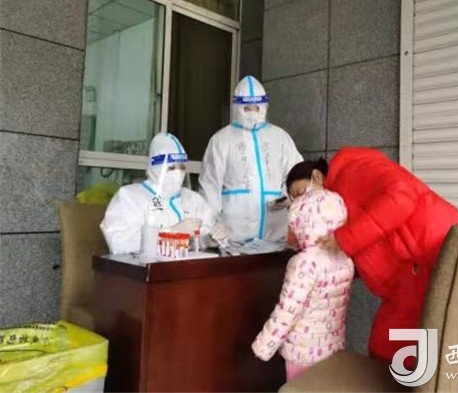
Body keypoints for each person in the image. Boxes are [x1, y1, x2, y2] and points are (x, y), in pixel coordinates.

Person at [285, 148, 458, 383]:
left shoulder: (351, 171)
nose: (302, 204)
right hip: (413, 276)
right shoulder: (338, 205)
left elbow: (401, 198)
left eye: (301, 193)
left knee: (397, 351)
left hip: (428, 259)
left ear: (316, 176)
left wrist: (344, 239)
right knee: (387, 347)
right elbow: (369, 247)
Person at [252, 188, 354, 381]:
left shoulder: (304, 263)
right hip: (333, 348)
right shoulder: (345, 259)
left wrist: (263, 345)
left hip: (304, 352)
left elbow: (288, 310)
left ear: (303, 225)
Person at [199, 76, 303, 244]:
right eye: (247, 108)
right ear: (236, 107)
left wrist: (286, 198)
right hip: (233, 236)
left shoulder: (280, 137)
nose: (253, 113)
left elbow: (297, 175)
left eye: (257, 107)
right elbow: (210, 186)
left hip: (276, 235)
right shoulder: (221, 140)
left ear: (265, 106)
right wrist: (211, 225)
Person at [101, 132, 223, 254]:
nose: (178, 173)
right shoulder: (130, 198)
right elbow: (119, 242)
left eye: (182, 168)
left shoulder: (193, 199)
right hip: (147, 266)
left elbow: (201, 238)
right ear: (156, 167)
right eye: (171, 168)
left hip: (188, 265)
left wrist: (210, 239)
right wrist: (169, 233)